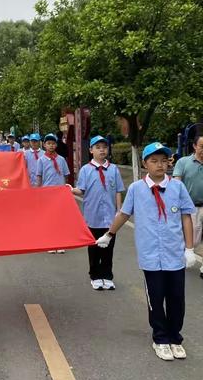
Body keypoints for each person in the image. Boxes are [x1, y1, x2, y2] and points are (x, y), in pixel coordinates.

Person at [96, 142, 196, 361]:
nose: (160, 165)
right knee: (156, 297)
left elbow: (187, 216)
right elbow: (123, 214)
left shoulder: (177, 187)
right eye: (154, 161)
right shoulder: (136, 189)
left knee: (177, 298)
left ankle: (175, 338)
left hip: (174, 254)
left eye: (164, 160)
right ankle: (160, 338)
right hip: (151, 255)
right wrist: (109, 234)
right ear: (145, 164)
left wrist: (189, 249)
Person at [71, 135, 125, 288]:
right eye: (98, 147)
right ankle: (94, 275)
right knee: (94, 246)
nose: (102, 150)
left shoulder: (113, 169)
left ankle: (107, 276)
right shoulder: (86, 170)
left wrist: (119, 210)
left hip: (110, 217)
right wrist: (69, 190)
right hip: (92, 215)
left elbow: (118, 191)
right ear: (91, 150)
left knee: (109, 247)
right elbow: (81, 190)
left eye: (104, 147)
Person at [173, 135, 203, 278]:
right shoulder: (183, 162)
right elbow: (176, 184)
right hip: (191, 208)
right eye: (202, 146)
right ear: (195, 146)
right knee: (194, 240)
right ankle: (184, 254)